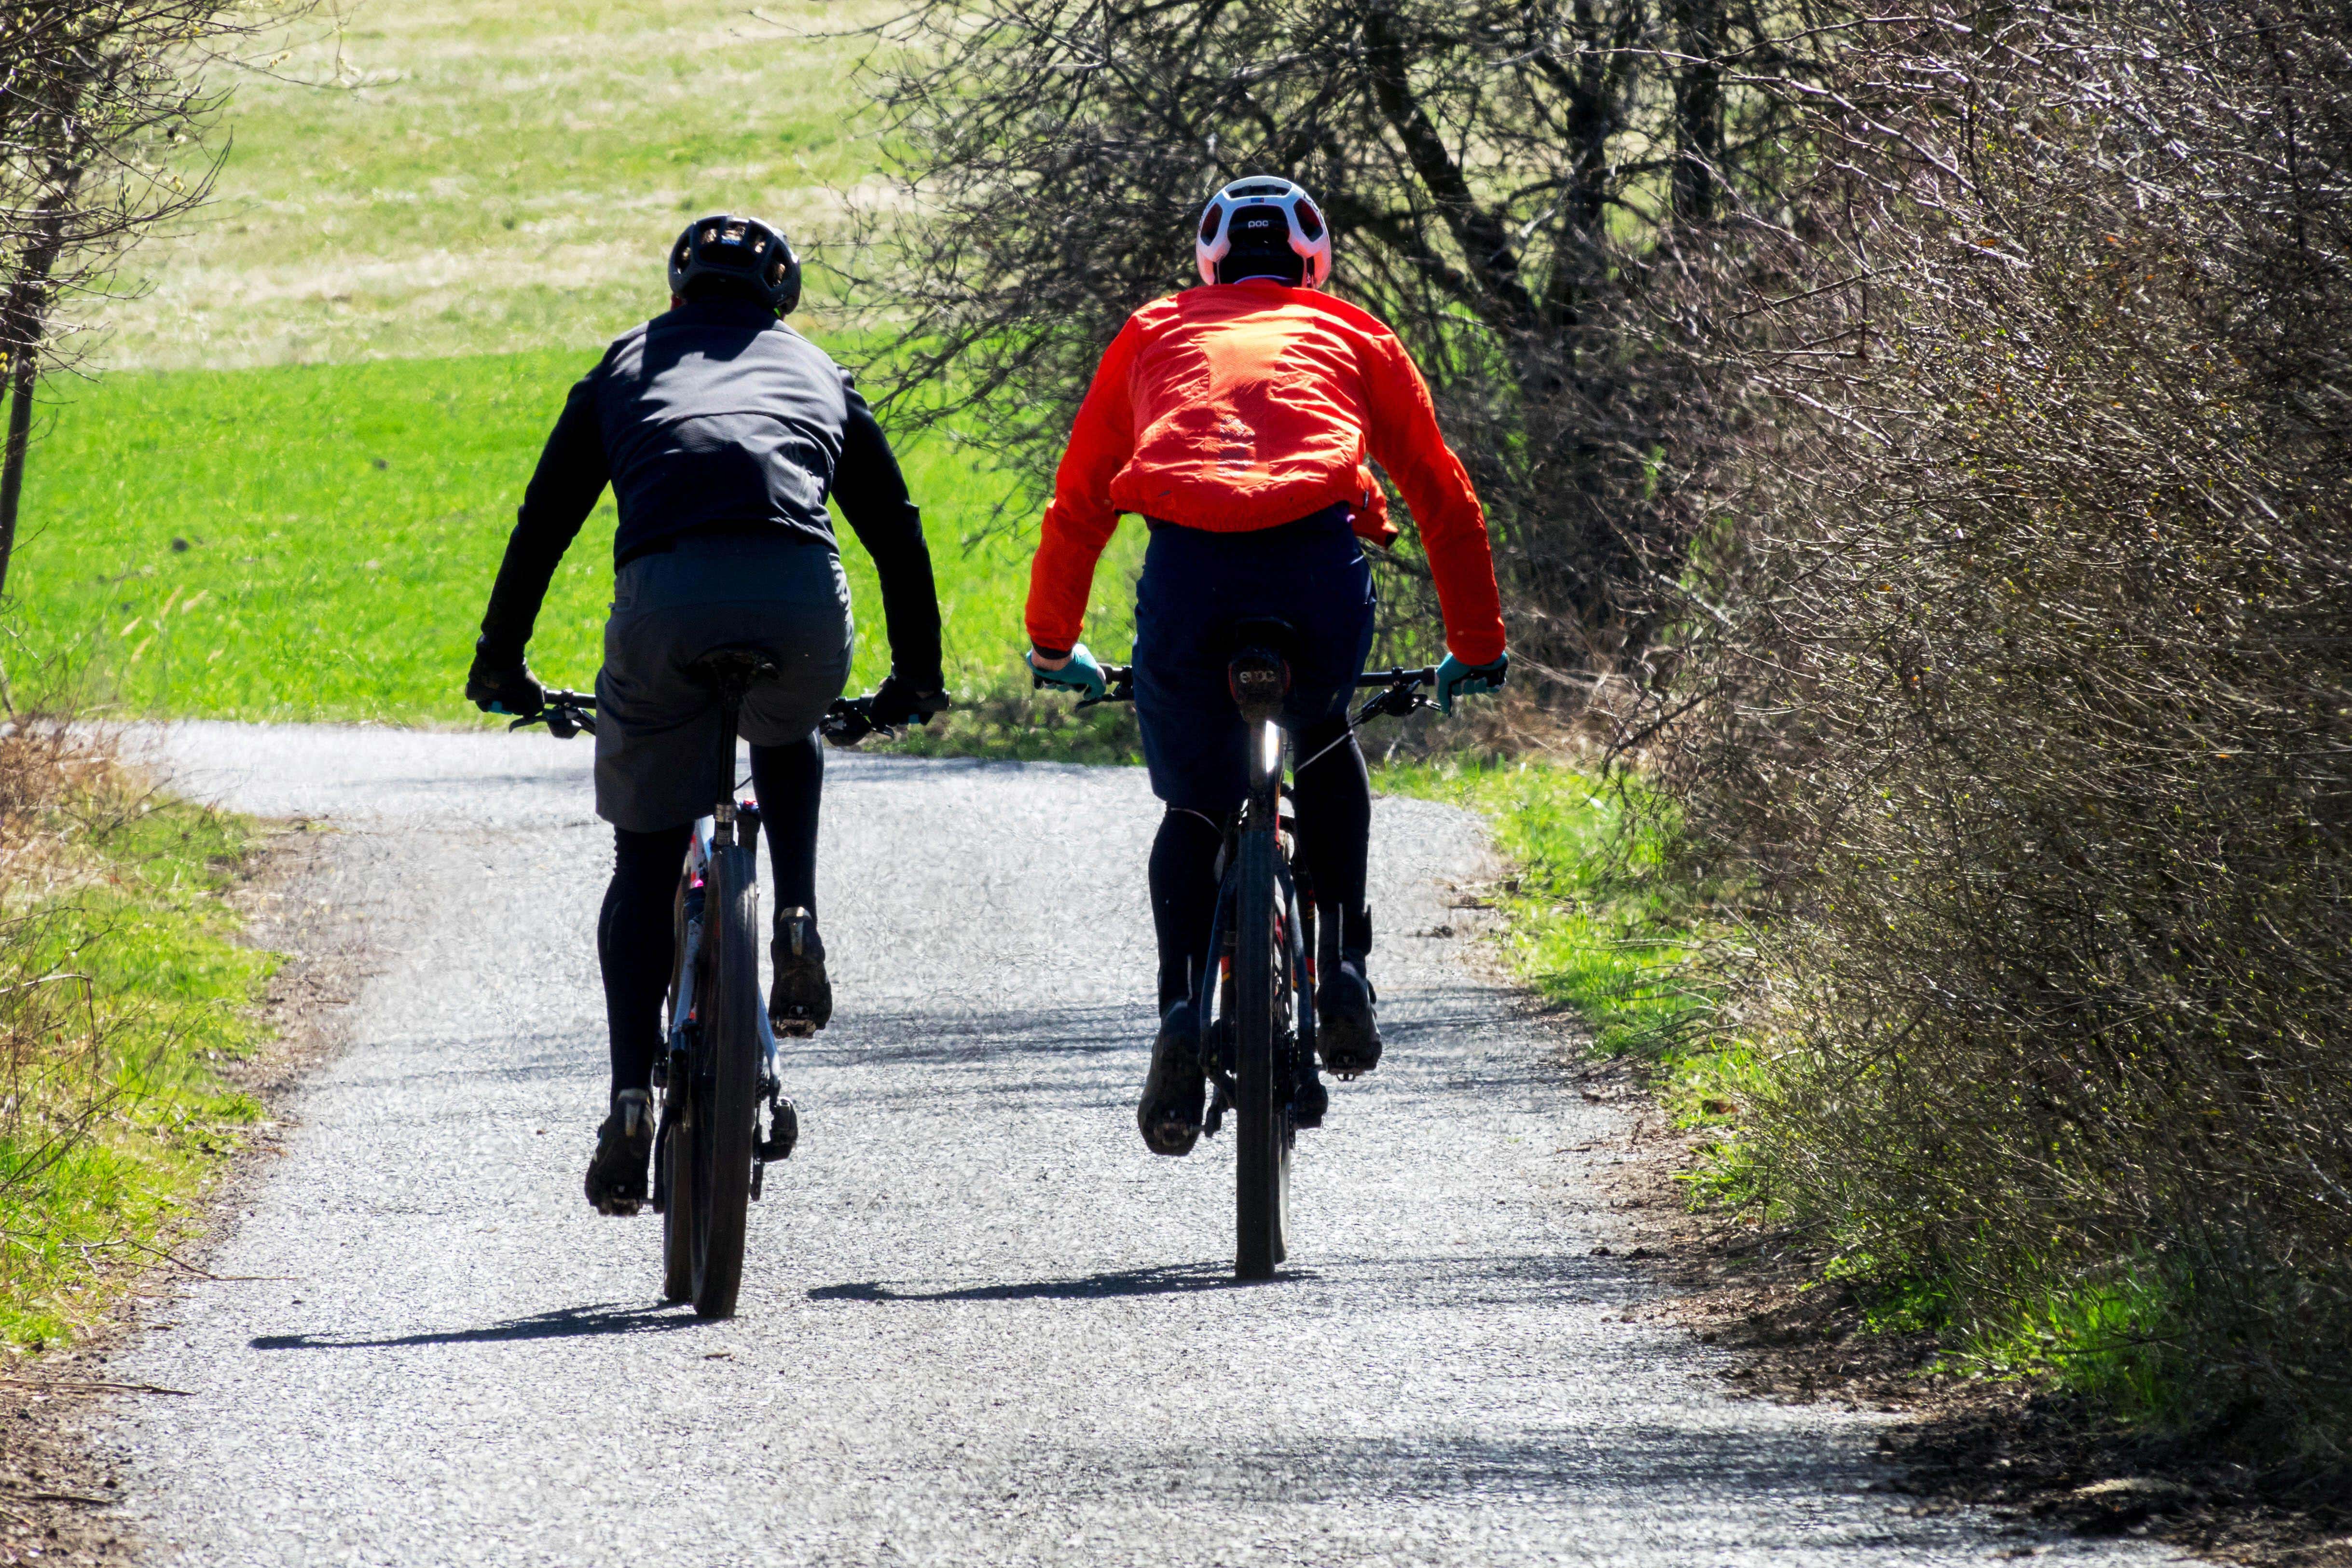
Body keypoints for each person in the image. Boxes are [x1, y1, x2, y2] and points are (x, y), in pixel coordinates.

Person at [465, 215, 948, 1215]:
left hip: (665, 604)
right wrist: (916, 677)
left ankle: (631, 1092)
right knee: (787, 720)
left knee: (644, 859)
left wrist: (499, 664)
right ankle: (797, 916)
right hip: (798, 600)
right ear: (780, 299)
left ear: (680, 291)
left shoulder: (624, 363)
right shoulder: (818, 369)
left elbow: (543, 520)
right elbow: (893, 528)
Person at [1024, 176, 1509, 1157]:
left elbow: (1078, 502)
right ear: (1310, 263)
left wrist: (1051, 642)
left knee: (1195, 805)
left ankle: (1174, 1011)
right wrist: (1474, 648)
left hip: (1189, 576)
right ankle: (1340, 971)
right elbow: (1445, 501)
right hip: (1313, 570)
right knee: (1323, 737)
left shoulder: (1153, 330)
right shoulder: (1353, 332)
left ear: (1209, 265)